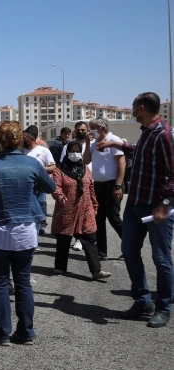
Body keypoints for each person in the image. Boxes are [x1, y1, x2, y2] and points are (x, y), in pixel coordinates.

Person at [0, 121, 56, 345]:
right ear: (20, 140)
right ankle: (26, 332)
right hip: (26, 229)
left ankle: (1, 333)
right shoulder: (31, 163)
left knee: (0, 282)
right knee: (23, 282)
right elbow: (50, 187)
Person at [98, 92, 174, 328]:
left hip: (156, 208)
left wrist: (166, 204)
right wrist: (117, 144)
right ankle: (142, 300)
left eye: (133, 106)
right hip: (135, 205)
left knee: (161, 259)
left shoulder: (165, 134)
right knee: (129, 251)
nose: (131, 109)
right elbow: (140, 153)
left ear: (140, 108)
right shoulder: (147, 133)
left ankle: (163, 307)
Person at [51, 141, 112, 280]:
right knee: (63, 239)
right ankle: (60, 266)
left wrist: (95, 206)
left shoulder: (86, 169)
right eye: (72, 150)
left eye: (77, 150)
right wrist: (59, 196)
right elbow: (56, 187)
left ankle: (96, 270)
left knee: (89, 239)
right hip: (67, 209)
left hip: (86, 209)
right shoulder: (59, 170)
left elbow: (91, 189)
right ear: (67, 152)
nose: (75, 153)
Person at [83, 118, 125, 260]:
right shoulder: (94, 143)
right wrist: (88, 144)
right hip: (98, 185)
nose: (90, 131)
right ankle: (102, 251)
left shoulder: (114, 140)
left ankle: (130, 246)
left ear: (102, 128)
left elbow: (121, 163)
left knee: (114, 218)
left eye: (92, 128)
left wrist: (118, 186)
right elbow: (86, 161)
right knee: (98, 219)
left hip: (112, 184)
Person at [60, 121, 92, 251]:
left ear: (88, 131)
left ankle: (86, 240)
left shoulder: (92, 145)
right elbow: (62, 164)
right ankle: (75, 238)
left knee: (88, 214)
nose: (81, 132)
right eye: (78, 129)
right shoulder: (67, 146)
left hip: (89, 182)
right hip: (73, 184)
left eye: (83, 130)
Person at [23, 125, 56, 236]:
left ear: (31, 139)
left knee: (39, 209)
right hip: (24, 187)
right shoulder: (21, 151)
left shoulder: (43, 150)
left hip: (39, 187)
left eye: (24, 138)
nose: (22, 140)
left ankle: (38, 229)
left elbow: (53, 167)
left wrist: (39, 169)